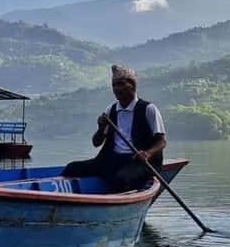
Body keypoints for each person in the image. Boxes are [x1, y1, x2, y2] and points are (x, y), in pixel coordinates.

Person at [61, 64, 166, 192]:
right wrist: (101, 128)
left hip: (138, 162)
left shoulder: (148, 109)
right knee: (71, 168)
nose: (116, 89)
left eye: (120, 84)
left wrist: (148, 153)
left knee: (121, 179)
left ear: (132, 85)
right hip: (113, 159)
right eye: (114, 85)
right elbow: (96, 142)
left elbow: (161, 142)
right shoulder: (111, 110)